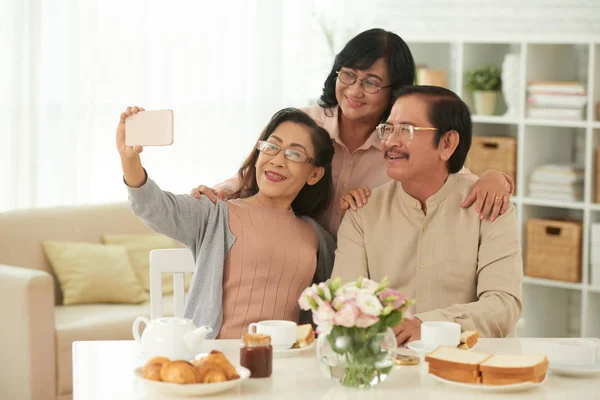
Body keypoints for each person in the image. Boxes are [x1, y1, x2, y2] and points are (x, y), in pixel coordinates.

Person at [190, 29, 514, 237]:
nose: (354, 90)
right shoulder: (306, 124)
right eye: (348, 75)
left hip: (359, 282)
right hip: (294, 263)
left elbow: (449, 174)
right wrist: (221, 191)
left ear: (395, 91)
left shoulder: (398, 145)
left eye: (371, 82)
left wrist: (496, 178)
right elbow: (255, 173)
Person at [117, 106, 337, 339]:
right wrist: (129, 159)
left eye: (294, 154)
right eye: (272, 147)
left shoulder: (316, 236)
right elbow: (155, 209)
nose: (277, 161)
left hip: (286, 365)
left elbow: (333, 307)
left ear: (314, 175)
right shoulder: (216, 212)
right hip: (218, 363)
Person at [331, 86, 523, 344]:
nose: (390, 141)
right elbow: (346, 301)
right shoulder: (362, 212)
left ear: (447, 143)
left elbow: (503, 306)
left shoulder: (490, 207)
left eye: (406, 130)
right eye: (388, 129)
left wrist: (430, 326)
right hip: (387, 364)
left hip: (466, 366)